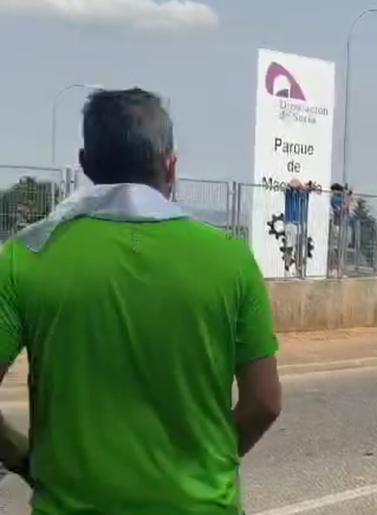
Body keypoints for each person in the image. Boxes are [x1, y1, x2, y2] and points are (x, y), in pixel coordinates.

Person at [0, 89, 282, 513]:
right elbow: (264, 401)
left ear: (85, 163)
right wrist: (209, 461)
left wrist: (24, 459)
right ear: (171, 165)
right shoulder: (230, 258)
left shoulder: (25, 258)